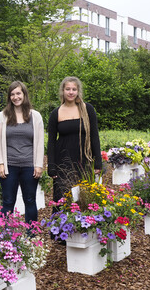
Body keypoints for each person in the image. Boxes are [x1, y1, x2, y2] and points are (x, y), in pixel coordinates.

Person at [47, 76, 102, 210]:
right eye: (68, 89)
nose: (71, 92)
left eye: (74, 89)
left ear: (78, 91)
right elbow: (51, 142)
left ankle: (84, 228)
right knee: (62, 195)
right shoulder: (56, 113)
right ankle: (60, 228)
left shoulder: (87, 109)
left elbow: (94, 136)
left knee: (84, 196)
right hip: (63, 162)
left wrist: (98, 161)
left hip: (84, 159)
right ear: (63, 91)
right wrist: (52, 166)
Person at [0, 81, 44, 224]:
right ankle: (5, 235)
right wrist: (1, 164)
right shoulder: (2, 116)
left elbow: (40, 142)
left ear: (24, 94)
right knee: (8, 201)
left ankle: (31, 233)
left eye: (18, 93)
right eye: (12, 94)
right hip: (10, 166)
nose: (16, 97)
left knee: (30, 200)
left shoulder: (35, 116)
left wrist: (38, 165)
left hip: (30, 165)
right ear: (9, 97)